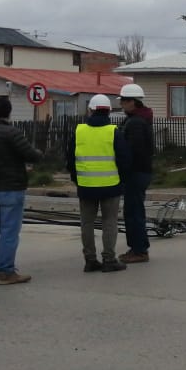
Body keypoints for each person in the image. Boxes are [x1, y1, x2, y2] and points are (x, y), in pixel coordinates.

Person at [66, 94, 131, 273]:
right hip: (111, 185)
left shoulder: (79, 131)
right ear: (109, 111)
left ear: (91, 110)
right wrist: (122, 181)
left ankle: (90, 260)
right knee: (109, 222)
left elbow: (70, 159)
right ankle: (109, 260)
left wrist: (76, 179)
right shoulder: (113, 131)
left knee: (86, 223)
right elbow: (125, 159)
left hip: (86, 185)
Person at [0, 96, 43, 285]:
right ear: (8, 112)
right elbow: (31, 154)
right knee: (9, 232)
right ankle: (6, 271)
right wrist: (38, 153)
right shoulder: (11, 133)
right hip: (10, 188)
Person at [117, 83, 153, 264]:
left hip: (135, 173)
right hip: (139, 172)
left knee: (134, 212)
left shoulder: (136, 122)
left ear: (133, 102)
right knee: (133, 211)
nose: (121, 104)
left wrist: (124, 170)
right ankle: (138, 248)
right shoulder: (138, 119)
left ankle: (139, 250)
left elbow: (133, 151)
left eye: (123, 101)